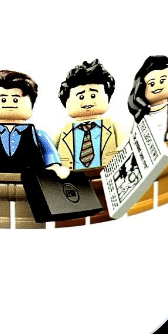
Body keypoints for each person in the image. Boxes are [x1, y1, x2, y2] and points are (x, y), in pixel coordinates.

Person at [0, 70, 69, 230]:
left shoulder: (38, 134)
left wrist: (54, 166)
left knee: (29, 220)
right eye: (3, 99)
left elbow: (49, 152)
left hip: (30, 183)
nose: (9, 103)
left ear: (32, 104)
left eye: (16, 98)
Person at [54, 59, 127, 226]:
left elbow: (126, 142)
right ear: (66, 100)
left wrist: (123, 149)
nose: (87, 101)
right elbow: (48, 151)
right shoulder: (63, 131)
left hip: (104, 178)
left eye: (93, 95)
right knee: (71, 217)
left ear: (107, 97)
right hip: (71, 181)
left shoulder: (113, 126)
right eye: (80, 96)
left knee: (107, 214)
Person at [127, 55, 168, 214]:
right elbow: (133, 138)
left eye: (163, 80)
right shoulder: (143, 116)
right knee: (144, 192)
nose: (157, 86)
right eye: (151, 83)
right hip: (146, 159)